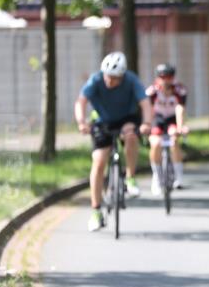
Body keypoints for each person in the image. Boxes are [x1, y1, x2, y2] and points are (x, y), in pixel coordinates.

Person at [75, 52, 153, 232]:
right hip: (102, 121)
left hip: (126, 118)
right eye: (108, 77)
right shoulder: (95, 80)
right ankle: (96, 211)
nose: (110, 81)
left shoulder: (132, 80)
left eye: (115, 78)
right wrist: (81, 122)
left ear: (123, 76)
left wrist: (147, 123)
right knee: (99, 161)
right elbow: (81, 102)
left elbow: (145, 103)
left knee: (131, 136)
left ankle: (130, 178)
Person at [146, 63, 189, 194]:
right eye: (162, 77)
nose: (165, 80)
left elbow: (180, 109)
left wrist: (181, 127)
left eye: (169, 77)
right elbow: (148, 110)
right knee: (155, 143)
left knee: (174, 140)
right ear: (158, 77)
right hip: (158, 120)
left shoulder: (179, 90)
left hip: (172, 119)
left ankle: (179, 177)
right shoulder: (151, 91)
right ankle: (156, 177)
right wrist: (147, 125)